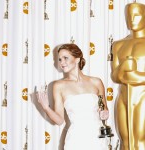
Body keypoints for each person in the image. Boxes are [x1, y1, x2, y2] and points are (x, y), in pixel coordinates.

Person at [36, 43, 109, 150]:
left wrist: (104, 114)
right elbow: (60, 120)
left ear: (77, 59)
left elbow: (104, 110)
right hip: (75, 139)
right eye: (60, 59)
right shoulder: (58, 86)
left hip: (97, 137)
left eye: (65, 58)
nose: (62, 62)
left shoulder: (96, 82)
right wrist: (46, 107)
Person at [111, 2, 145, 150]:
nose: (132, 19)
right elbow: (115, 77)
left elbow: (128, 77)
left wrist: (135, 75)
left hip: (143, 97)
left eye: (137, 15)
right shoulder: (118, 45)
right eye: (129, 16)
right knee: (125, 141)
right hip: (123, 97)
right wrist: (123, 67)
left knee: (140, 140)